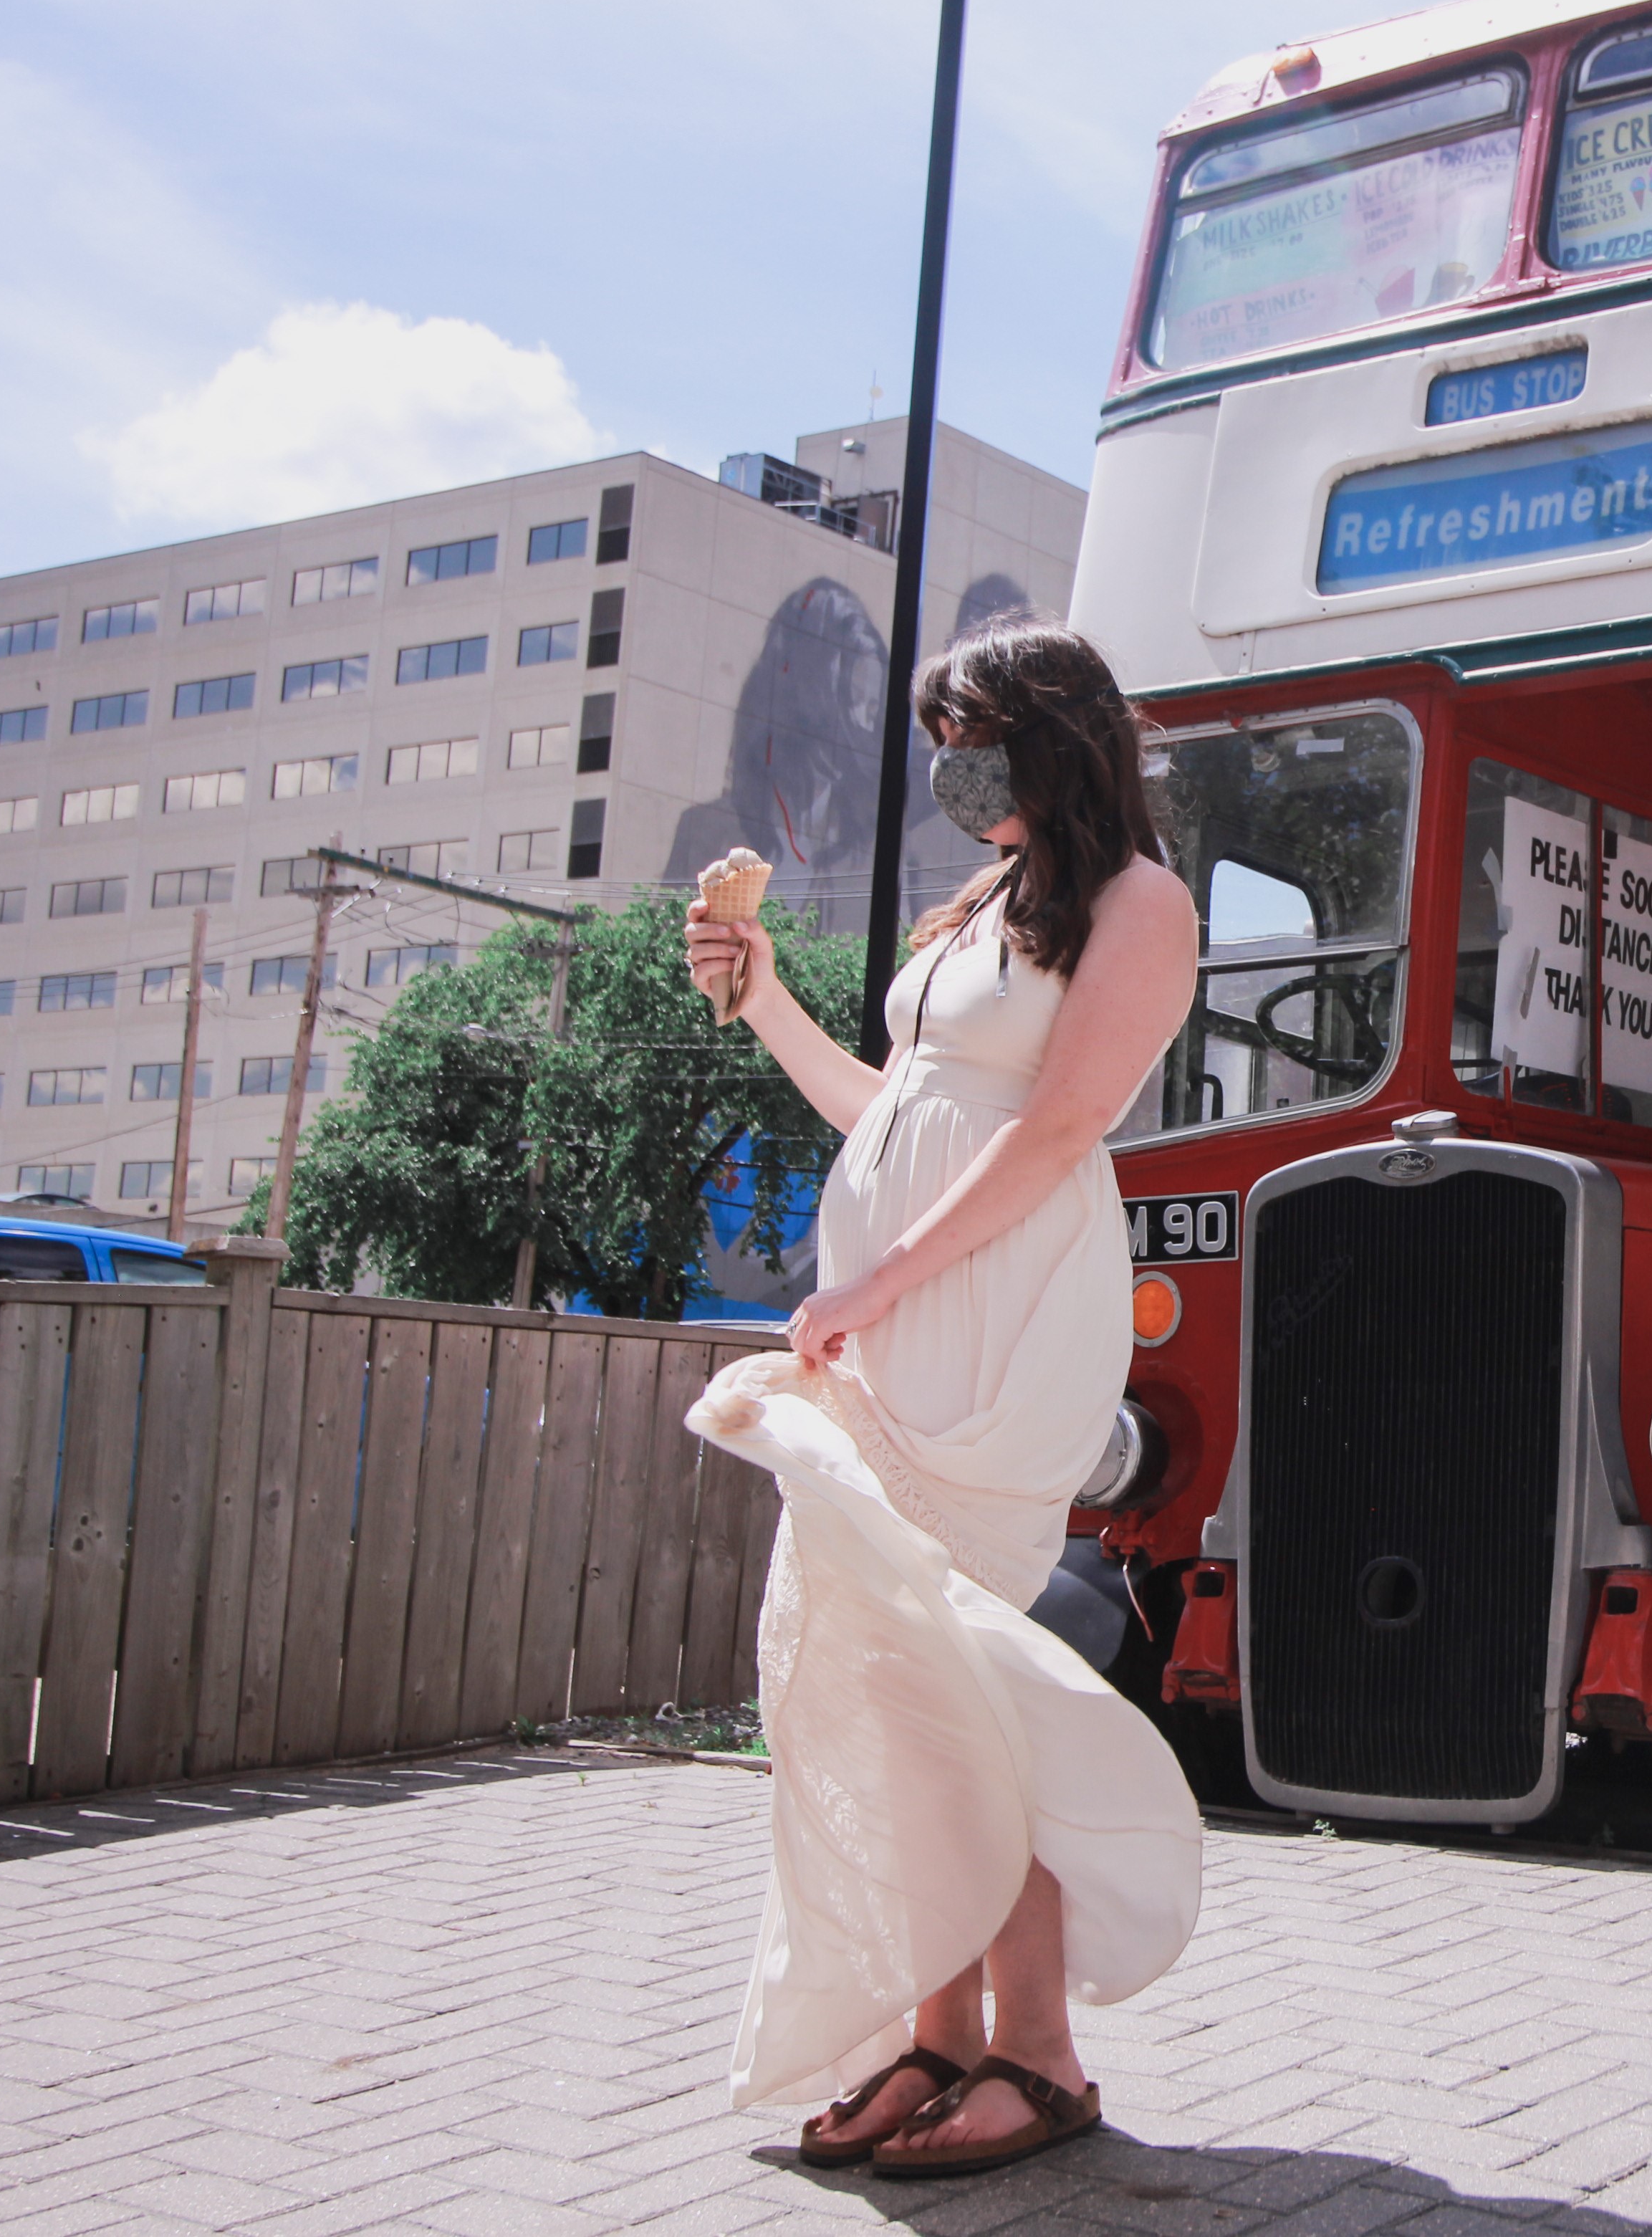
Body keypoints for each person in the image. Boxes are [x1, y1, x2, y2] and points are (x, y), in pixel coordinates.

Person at [680, 620, 1203, 2180]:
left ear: (1054, 735)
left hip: (994, 1326)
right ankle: (939, 2031)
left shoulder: (1141, 903)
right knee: (896, 1691)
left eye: (971, 736)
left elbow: (1054, 1133)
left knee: (962, 1681)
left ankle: (1036, 2058)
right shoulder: (991, 898)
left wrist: (871, 1286)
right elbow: (892, 1111)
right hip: (903, 1322)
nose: (947, 771)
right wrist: (765, 996)